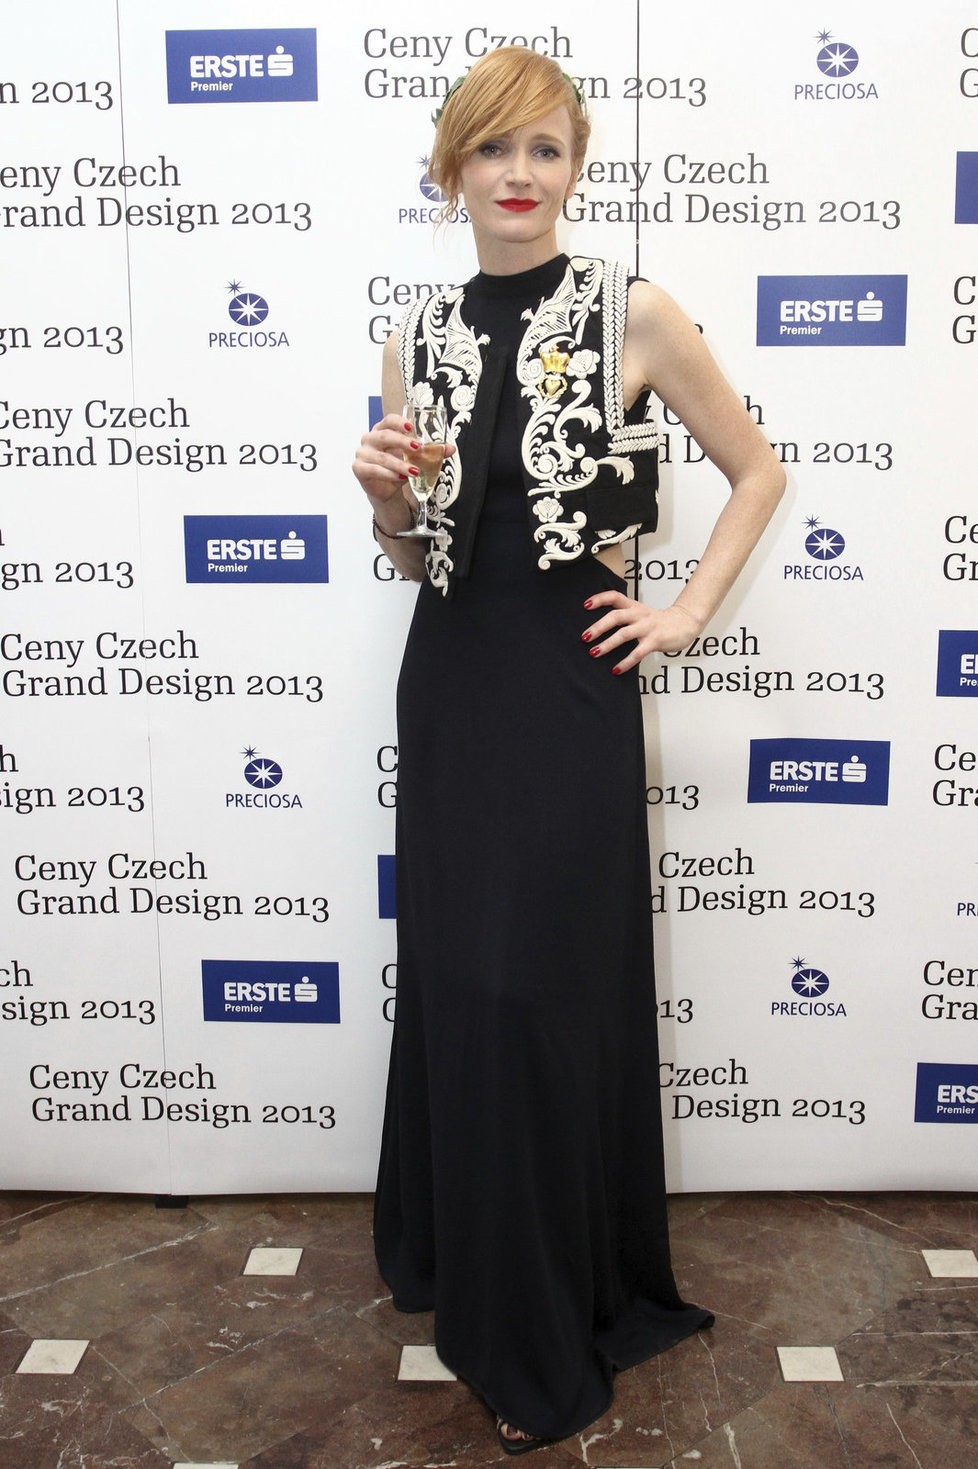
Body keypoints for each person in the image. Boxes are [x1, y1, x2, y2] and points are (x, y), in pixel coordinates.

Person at [353, 46, 785, 1457]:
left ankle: (549, 1305)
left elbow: (757, 469)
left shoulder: (630, 310)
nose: (518, 175)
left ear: (576, 167)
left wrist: (684, 611)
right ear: (452, 170)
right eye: (493, 150)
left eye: (544, 149)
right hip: (451, 681)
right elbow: (415, 550)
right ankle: (472, 1265)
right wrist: (382, 502)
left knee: (538, 990)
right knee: (464, 983)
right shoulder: (414, 331)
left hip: (568, 688)